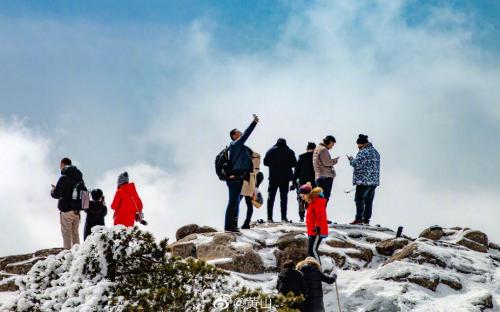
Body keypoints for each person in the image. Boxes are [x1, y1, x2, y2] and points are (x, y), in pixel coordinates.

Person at [225, 115, 259, 232]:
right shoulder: (235, 145)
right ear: (234, 136)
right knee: (233, 202)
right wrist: (254, 123)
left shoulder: (242, 148)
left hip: (242, 178)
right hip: (235, 178)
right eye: (238, 132)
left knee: (236, 202)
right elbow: (246, 134)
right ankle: (229, 226)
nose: (240, 133)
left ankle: (233, 224)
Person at [51, 157, 86, 249]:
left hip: (66, 211)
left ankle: (67, 257)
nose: (60, 168)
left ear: (63, 165)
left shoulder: (63, 178)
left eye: (60, 166)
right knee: (75, 233)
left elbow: (56, 195)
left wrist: (53, 190)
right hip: (77, 211)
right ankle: (78, 254)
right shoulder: (79, 178)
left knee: (66, 233)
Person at [347, 134, 380, 225]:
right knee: (369, 201)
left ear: (361, 144)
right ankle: (366, 219)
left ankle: (358, 219)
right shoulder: (376, 152)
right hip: (374, 181)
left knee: (359, 199)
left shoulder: (363, 152)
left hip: (363, 181)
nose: (358, 147)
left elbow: (357, 164)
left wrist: (351, 160)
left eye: (358, 145)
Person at [264, 138, 297, 223]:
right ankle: (283, 218)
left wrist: (273, 164)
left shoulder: (271, 150)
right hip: (285, 178)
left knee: (271, 197)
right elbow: (294, 163)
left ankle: (269, 218)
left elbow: (265, 162)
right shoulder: (290, 151)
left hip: (273, 177)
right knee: (284, 198)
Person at [299, 183, 328, 265]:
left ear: (307, 194)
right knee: (310, 250)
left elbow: (320, 216)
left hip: (317, 230)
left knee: (312, 250)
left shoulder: (317, 201)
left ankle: (319, 269)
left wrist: (317, 227)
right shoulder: (312, 203)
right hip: (313, 231)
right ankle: (314, 268)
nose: (301, 197)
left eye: (302, 195)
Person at [292, 142, 316, 222]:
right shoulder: (316, 157)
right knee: (312, 199)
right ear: (314, 149)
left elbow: (296, 170)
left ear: (307, 148)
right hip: (313, 182)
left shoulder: (301, 157)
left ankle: (301, 216)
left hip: (302, 181)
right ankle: (311, 216)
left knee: (301, 199)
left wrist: (293, 182)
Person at [240, 151, 263, 229]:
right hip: (249, 183)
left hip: (248, 183)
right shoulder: (254, 158)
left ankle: (245, 223)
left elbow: (255, 171)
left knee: (242, 203)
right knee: (248, 204)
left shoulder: (254, 157)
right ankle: (246, 223)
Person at [313, 135, 338, 203]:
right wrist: (335, 161)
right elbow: (327, 163)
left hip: (319, 176)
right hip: (325, 178)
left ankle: (319, 213)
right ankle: (321, 213)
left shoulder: (317, 148)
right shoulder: (323, 150)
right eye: (332, 144)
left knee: (320, 198)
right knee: (324, 199)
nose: (332, 147)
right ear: (329, 142)